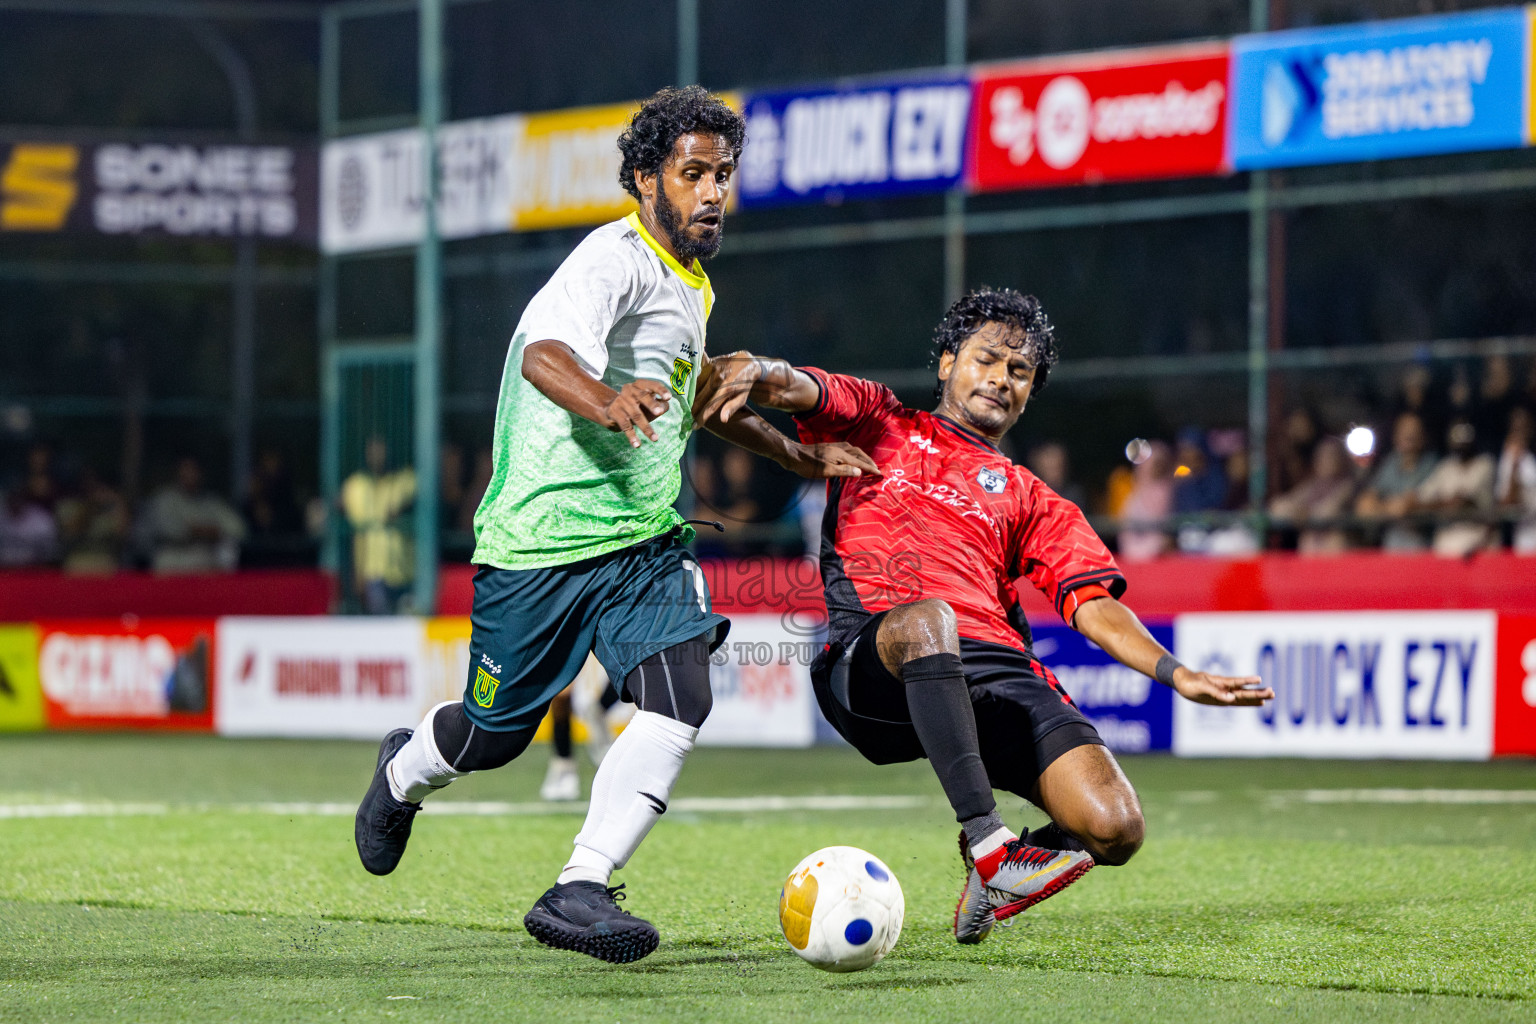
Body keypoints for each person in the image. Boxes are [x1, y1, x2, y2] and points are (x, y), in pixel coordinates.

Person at [353, 87, 875, 965]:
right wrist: (607, 399)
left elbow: (704, 398)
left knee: (684, 694)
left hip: (639, 544)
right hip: (539, 546)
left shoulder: (690, 284)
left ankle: (581, 886)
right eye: (694, 173)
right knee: (493, 738)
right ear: (644, 180)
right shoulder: (613, 260)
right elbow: (544, 355)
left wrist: (798, 456)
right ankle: (404, 770)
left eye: (724, 175)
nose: (713, 192)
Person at [697, 288, 1271, 944]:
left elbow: (1094, 604)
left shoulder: (1032, 497)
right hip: (875, 657)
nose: (1000, 378)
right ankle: (993, 844)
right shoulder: (880, 420)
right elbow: (797, 390)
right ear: (947, 363)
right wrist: (763, 371)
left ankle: (988, 870)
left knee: (1115, 827)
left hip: (995, 667)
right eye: (987, 359)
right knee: (929, 620)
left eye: (1019, 371)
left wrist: (1177, 674)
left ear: (1029, 393)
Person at [340, 436, 417, 613]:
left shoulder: (402, 480)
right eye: (372, 451)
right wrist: (357, 573)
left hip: (403, 570)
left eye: (381, 450)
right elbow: (354, 530)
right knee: (380, 623)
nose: (377, 455)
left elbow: (412, 493)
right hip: (372, 572)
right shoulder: (356, 485)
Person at [136, 456, 246, 573]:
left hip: (203, 564)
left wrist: (211, 531)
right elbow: (168, 529)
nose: (190, 474)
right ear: (178, 472)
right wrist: (197, 530)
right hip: (171, 563)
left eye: (194, 470)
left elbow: (238, 529)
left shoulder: (211, 502)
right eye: (186, 470)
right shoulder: (165, 499)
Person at [1354, 412, 1436, 552]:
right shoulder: (1391, 463)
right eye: (1404, 431)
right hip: (1392, 546)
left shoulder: (1431, 464)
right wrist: (1389, 508)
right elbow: (1365, 505)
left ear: (1423, 436)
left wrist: (1388, 508)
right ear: (1395, 436)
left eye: (1414, 432)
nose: (1409, 436)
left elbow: (1407, 505)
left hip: (1423, 546)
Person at [1416, 417, 1496, 557]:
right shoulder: (1446, 467)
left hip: (1478, 535)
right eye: (1457, 435)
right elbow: (1422, 496)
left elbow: (1466, 500)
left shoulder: (1485, 464)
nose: (1461, 441)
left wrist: (1450, 503)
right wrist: (1443, 504)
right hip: (1448, 536)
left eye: (1465, 434)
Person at [1494, 407, 1535, 553]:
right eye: (1516, 427)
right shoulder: (1509, 458)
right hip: (1527, 536)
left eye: (1524, 426)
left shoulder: (1530, 457)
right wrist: (1515, 466)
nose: (1520, 431)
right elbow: (1507, 501)